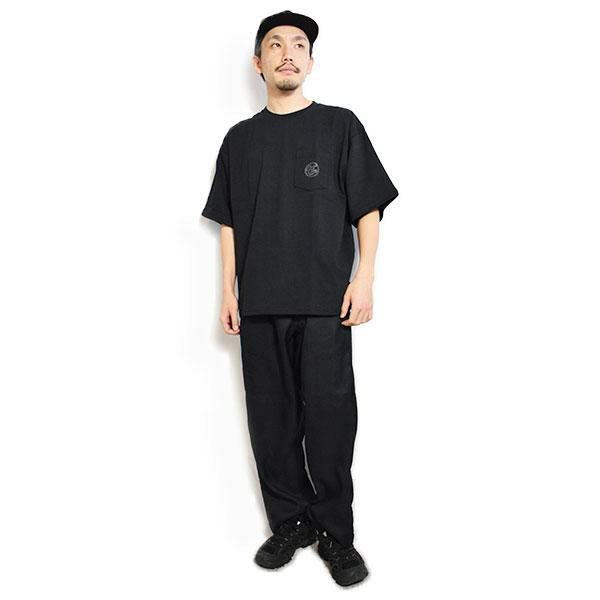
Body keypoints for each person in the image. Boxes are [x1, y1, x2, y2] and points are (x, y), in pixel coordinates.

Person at [201, 10, 399, 587]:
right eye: (274, 45)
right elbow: (229, 220)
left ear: (310, 61)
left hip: (324, 303)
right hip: (259, 302)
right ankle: (289, 522)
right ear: (258, 63)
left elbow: (367, 208)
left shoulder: (339, 126)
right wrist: (227, 290)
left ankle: (336, 532)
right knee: (271, 419)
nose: (287, 52)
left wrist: (364, 278)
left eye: (298, 45)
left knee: (332, 420)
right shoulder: (239, 140)